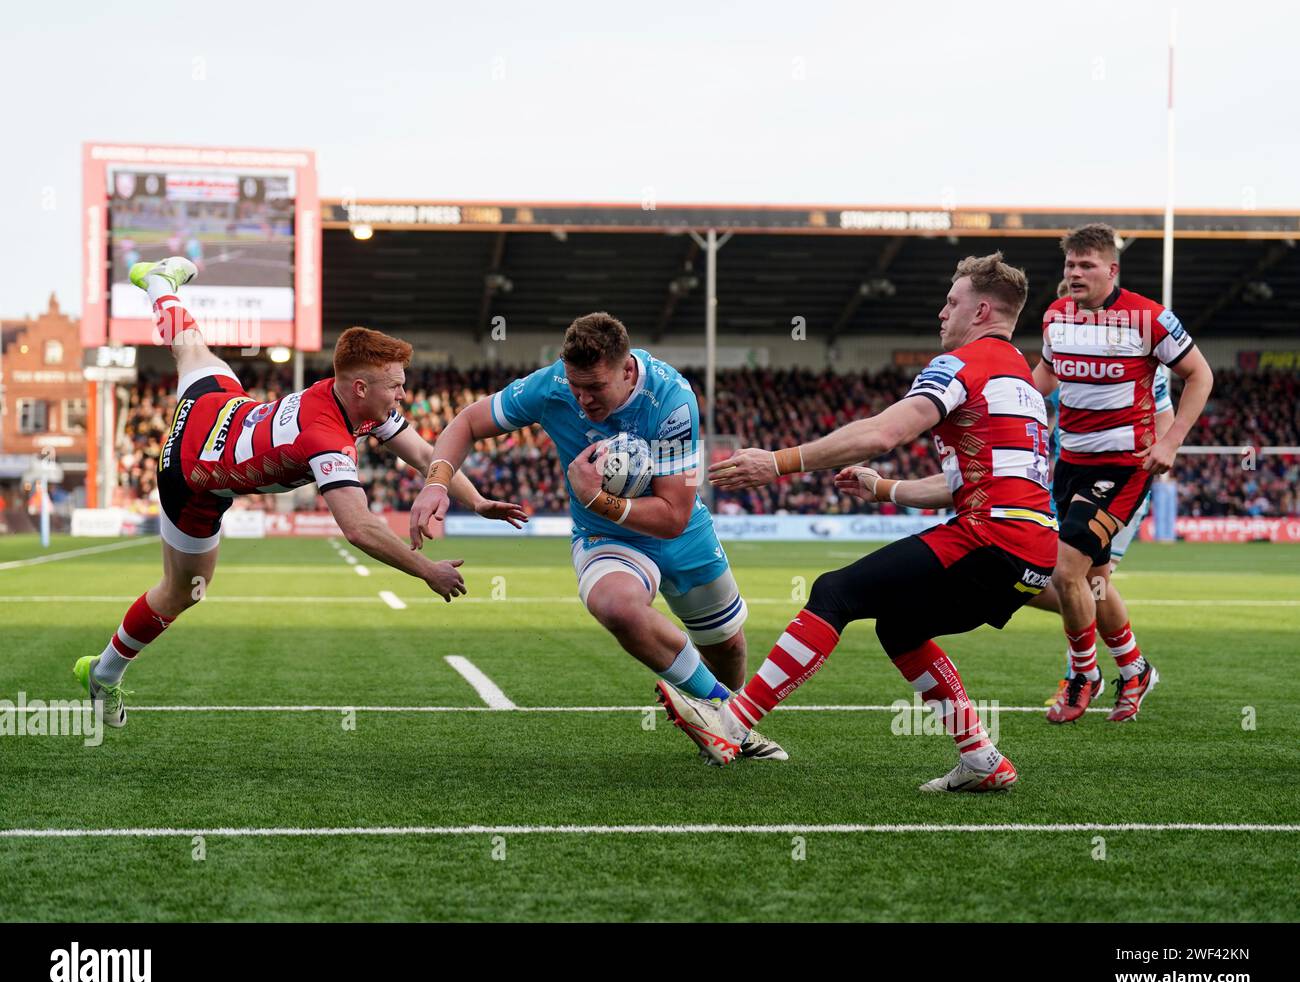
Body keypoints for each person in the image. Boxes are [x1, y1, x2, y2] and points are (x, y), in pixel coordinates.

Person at [658, 252, 1057, 792]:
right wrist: (882, 488)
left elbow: (881, 434)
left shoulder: (963, 365)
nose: (942, 312)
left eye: (952, 301)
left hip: (992, 538)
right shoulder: (1024, 385)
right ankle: (983, 760)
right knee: (901, 628)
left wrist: (775, 463)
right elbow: (964, 483)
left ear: (982, 309)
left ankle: (731, 722)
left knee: (836, 591)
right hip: (1031, 552)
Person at [74, 257, 526, 727]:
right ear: (359, 387)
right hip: (191, 476)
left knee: (190, 348)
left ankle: (159, 285)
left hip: (215, 407)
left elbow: (424, 454)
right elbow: (359, 528)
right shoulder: (325, 436)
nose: (402, 395)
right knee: (183, 591)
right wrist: (427, 571)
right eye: (395, 386)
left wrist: (475, 501)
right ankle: (103, 675)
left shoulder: (357, 402)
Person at [408, 312, 786, 761]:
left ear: (627, 371)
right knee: (617, 608)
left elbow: (672, 517)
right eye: (576, 386)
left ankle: (722, 723)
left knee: (727, 645)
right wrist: (435, 483)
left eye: (595, 388)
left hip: (680, 531)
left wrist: (594, 498)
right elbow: (467, 423)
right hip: (607, 537)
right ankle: (729, 719)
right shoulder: (551, 386)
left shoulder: (672, 399)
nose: (583, 399)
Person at [1030, 224, 1213, 723]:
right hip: (1069, 465)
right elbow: (1046, 374)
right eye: (1070, 265)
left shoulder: (1149, 317)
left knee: (1065, 570)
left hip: (1124, 467)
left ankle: (1082, 675)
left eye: (1086, 265)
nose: (1075, 274)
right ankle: (1134, 669)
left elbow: (1200, 374)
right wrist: (1014, 397)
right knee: (1093, 581)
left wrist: (1171, 441)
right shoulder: (1055, 316)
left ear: (1112, 269)